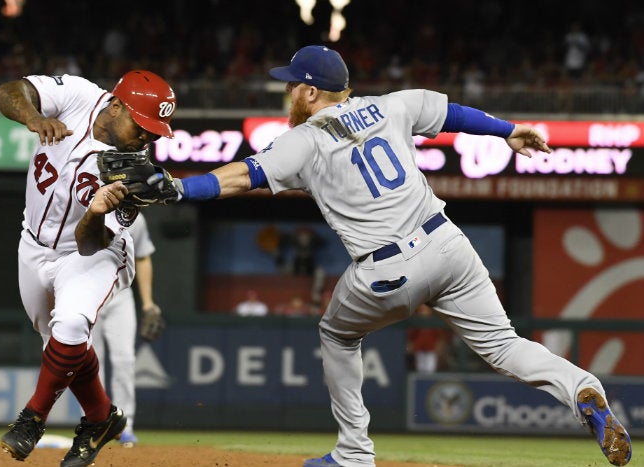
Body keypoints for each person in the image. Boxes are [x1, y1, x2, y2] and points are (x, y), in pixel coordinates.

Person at [162, 45, 632, 467]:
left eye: (290, 84)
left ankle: (353, 455)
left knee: (336, 336)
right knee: (505, 345)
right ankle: (582, 388)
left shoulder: (303, 140)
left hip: (387, 267)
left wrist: (179, 187)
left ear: (308, 91)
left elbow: (241, 177)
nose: (287, 92)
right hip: (448, 244)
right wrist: (507, 131)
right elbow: (453, 114)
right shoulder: (394, 104)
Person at [0, 69, 176, 467]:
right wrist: (33, 117)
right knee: (62, 347)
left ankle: (32, 418)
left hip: (93, 252)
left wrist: (96, 211)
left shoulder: (134, 171)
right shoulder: (78, 95)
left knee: (72, 324)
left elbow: (90, 243)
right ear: (115, 106)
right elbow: (9, 91)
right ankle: (101, 419)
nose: (146, 137)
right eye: (141, 124)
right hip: (33, 246)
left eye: (154, 131)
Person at [92, 211, 161, 447]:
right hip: (87, 293)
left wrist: (148, 302)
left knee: (125, 360)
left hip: (120, 295)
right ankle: (95, 423)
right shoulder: (83, 207)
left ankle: (125, 425)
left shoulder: (135, 216)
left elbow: (142, 257)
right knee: (91, 363)